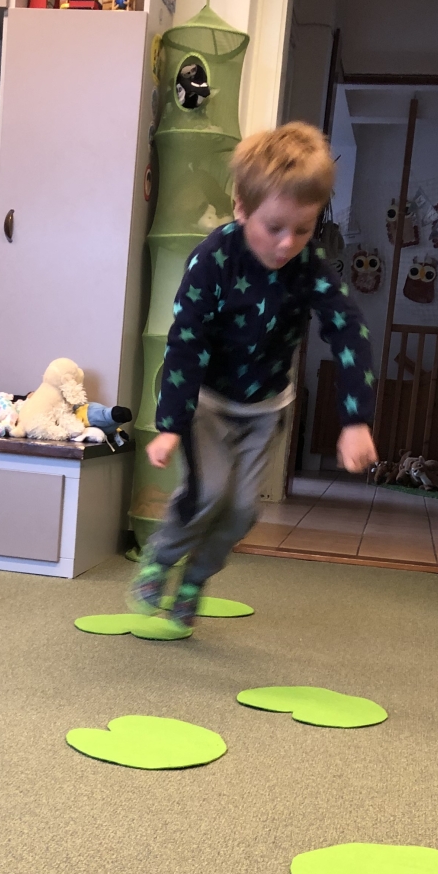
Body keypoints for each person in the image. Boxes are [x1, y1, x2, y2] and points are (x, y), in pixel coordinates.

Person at [130, 120, 379, 627]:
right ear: (242, 208)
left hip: (266, 408)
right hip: (207, 403)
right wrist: (171, 424)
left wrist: (356, 421)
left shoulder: (309, 267)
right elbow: (186, 340)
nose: (287, 244)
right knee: (207, 494)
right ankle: (161, 557)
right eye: (274, 227)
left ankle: (196, 578)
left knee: (243, 510)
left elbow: (349, 333)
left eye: (303, 230)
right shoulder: (213, 259)